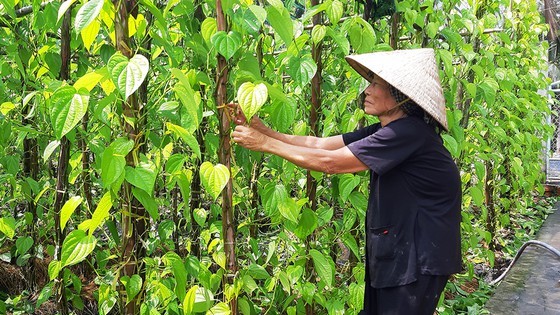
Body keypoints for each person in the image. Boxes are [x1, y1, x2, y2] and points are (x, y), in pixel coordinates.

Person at [230, 48, 462, 315]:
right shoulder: (388, 129)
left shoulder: (408, 133)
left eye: (376, 84)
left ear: (400, 95)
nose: (367, 91)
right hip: (399, 252)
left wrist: (265, 145)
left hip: (418, 258)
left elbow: (330, 163)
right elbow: (321, 145)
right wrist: (264, 131)